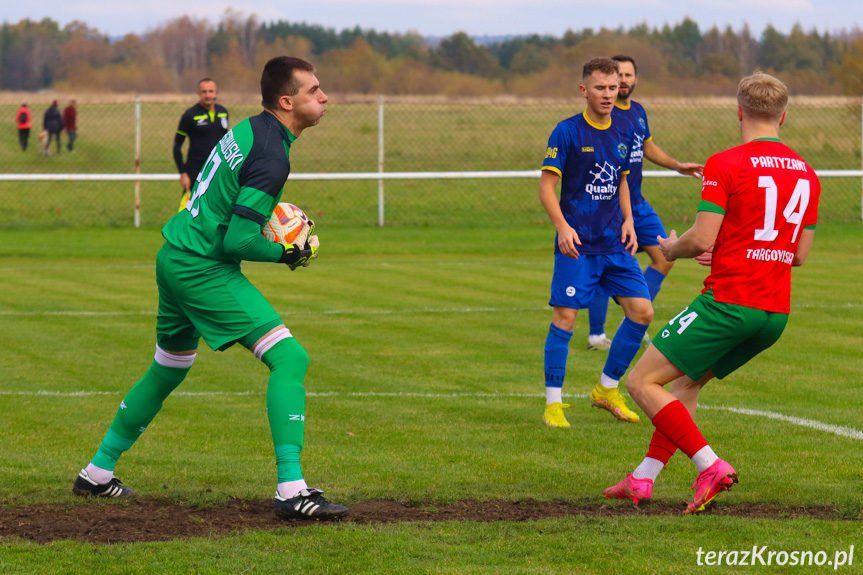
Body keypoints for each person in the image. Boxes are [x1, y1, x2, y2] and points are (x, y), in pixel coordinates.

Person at [72, 56, 347, 521]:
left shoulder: (247, 129)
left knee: (169, 367)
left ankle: (96, 472)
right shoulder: (272, 156)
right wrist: (288, 252)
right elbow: (238, 239)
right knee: (290, 357)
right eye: (313, 90)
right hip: (201, 267)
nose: (324, 98)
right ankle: (291, 489)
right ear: (287, 101)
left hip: (175, 254)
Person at [602, 72, 821, 514]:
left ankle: (710, 465)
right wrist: (728, 246)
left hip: (729, 303)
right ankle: (643, 479)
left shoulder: (726, 162)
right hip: (773, 313)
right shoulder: (808, 174)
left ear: (739, 111)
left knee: (641, 382)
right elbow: (796, 254)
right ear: (785, 117)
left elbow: (699, 240)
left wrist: (668, 248)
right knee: (683, 384)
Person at [540, 57, 654, 429]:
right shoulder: (567, 132)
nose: (609, 93)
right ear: (584, 90)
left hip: (614, 243)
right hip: (578, 245)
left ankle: (606, 388)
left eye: (613, 86)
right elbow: (546, 187)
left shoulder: (622, 131)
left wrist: (629, 221)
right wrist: (562, 227)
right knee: (566, 317)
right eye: (601, 87)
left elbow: (621, 181)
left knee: (642, 312)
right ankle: (553, 403)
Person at [585, 55, 704, 351]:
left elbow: (647, 146)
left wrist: (676, 164)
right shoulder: (605, 114)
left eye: (628, 75)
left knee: (665, 256)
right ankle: (597, 336)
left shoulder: (638, 111)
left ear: (636, 80)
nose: (623, 80)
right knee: (602, 266)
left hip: (638, 203)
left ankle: (633, 322)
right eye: (618, 76)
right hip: (609, 208)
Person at [173, 78, 229, 211]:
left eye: (211, 91)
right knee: (190, 211)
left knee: (217, 208)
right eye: (204, 91)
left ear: (217, 92)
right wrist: (183, 173)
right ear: (199, 93)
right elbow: (177, 146)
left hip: (217, 168)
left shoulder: (223, 112)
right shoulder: (190, 115)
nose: (208, 95)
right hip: (195, 169)